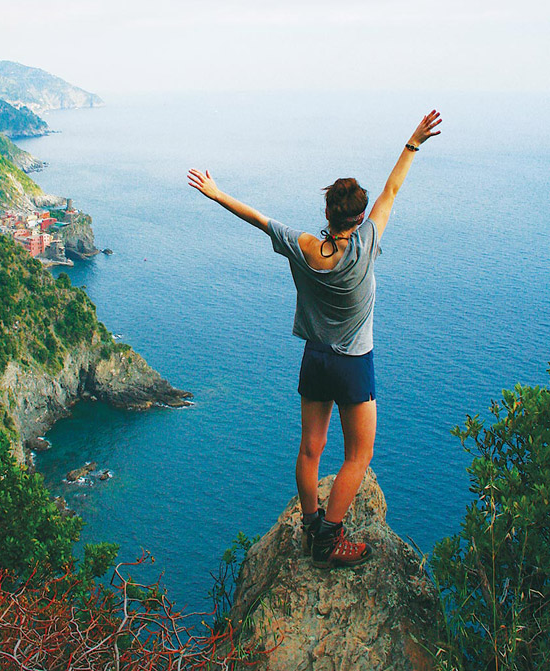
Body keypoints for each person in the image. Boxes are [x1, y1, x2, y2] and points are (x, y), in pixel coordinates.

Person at [187, 110, 442, 568]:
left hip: (315, 359)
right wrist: (413, 142)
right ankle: (328, 540)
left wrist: (215, 192)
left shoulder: (303, 246)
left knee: (310, 448)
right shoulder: (367, 243)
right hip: (352, 364)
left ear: (327, 212)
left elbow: (258, 219)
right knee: (358, 454)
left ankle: (310, 527)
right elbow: (392, 190)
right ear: (360, 217)